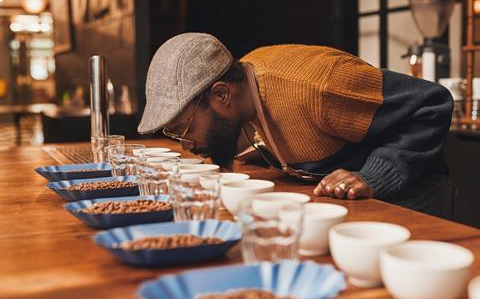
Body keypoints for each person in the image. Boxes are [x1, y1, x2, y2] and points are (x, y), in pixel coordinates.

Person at [137, 33, 455, 219]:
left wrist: (373, 175)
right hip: (349, 206)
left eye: (184, 127)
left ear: (221, 93)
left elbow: (432, 103)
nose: (184, 143)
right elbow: (295, 127)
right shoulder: (245, 85)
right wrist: (265, 150)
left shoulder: (318, 86)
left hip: (412, 199)